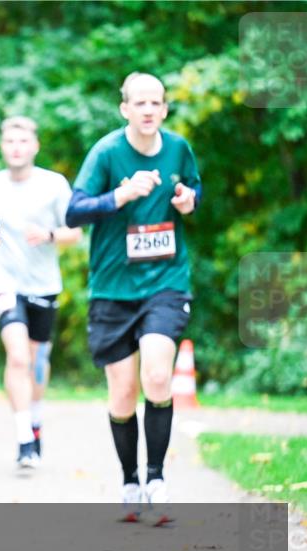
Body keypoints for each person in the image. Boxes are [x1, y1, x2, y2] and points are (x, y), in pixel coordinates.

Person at [66, 72, 202, 525]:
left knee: (158, 376)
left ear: (164, 109)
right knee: (123, 392)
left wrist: (187, 200)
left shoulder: (179, 148)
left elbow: (194, 191)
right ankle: (130, 481)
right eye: (139, 103)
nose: (148, 110)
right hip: (112, 289)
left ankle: (157, 478)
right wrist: (121, 194)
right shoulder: (106, 153)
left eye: (156, 103)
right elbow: (74, 210)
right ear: (125, 108)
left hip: (165, 283)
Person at [0, 117, 81, 468]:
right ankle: (24, 439)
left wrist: (51, 235)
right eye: (10, 141)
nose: (16, 147)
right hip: (4, 285)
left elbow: (75, 233)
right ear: (2, 146)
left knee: (37, 362)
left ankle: (35, 420)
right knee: (19, 357)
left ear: (35, 146)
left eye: (23, 141)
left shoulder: (54, 184)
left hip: (44, 285)